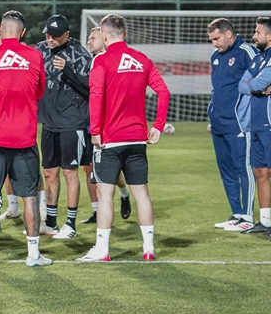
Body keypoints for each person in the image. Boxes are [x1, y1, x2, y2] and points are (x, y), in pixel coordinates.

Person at [77, 14, 170, 262]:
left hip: (110, 140)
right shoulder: (142, 60)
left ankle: (102, 250)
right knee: (142, 194)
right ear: (125, 34)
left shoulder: (101, 61)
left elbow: (96, 96)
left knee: (105, 195)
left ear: (105, 37)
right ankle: (149, 249)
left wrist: (95, 130)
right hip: (138, 140)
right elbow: (163, 91)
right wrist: (158, 126)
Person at [0, 10, 49, 268]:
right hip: (25, 138)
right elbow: (39, 91)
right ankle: (33, 255)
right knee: (29, 197)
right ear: (23, 32)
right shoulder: (35, 56)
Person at [34, 14, 94, 239]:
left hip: (72, 121)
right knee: (49, 172)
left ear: (67, 35)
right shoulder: (39, 50)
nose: (50, 38)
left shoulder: (79, 53)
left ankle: (70, 224)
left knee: (70, 172)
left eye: (56, 36)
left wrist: (68, 70)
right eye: (48, 33)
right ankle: (50, 222)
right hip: (49, 122)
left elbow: (91, 88)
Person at [237, 17, 271, 236]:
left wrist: (255, 85)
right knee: (259, 171)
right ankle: (265, 220)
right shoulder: (259, 58)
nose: (254, 36)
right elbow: (242, 85)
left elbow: (255, 83)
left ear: (269, 36)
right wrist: (256, 87)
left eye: (257, 32)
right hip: (256, 121)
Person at [206, 18, 260, 231]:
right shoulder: (215, 57)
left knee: (243, 168)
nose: (214, 44)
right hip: (218, 123)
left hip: (239, 123)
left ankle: (248, 217)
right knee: (226, 170)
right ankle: (237, 213)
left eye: (217, 38)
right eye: (211, 40)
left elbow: (262, 79)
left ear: (229, 33)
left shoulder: (248, 52)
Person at [81, 25, 132, 224]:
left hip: (114, 124)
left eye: (93, 38)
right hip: (94, 122)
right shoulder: (95, 61)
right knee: (91, 168)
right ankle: (98, 211)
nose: (89, 42)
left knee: (110, 169)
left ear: (105, 38)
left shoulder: (113, 60)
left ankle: (123, 193)